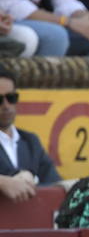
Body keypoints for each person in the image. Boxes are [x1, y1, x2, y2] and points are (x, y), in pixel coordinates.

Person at [0, 67, 60, 202]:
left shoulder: (31, 141)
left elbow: (54, 184)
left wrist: (32, 178)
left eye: (11, 98)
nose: (6, 105)